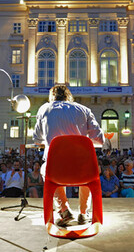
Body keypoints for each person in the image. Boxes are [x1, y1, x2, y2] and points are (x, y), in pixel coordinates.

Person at [33, 85, 104, 226]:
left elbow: (37, 139)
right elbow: (99, 140)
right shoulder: (84, 110)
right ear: (68, 96)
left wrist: (52, 138)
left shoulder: (44, 109)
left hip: (56, 171)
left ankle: (64, 210)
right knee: (87, 164)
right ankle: (84, 213)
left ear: (52, 97)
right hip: (82, 171)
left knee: (45, 169)